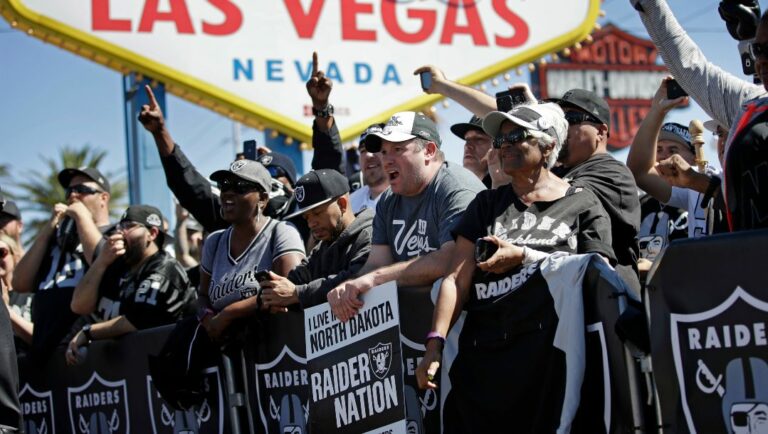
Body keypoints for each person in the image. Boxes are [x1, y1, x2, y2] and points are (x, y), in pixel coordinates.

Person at [414, 103, 614, 433]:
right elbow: (455, 279)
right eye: (499, 139)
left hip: (551, 361)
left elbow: (597, 272)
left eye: (517, 136)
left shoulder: (583, 202)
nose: (503, 145)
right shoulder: (487, 204)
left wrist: (524, 257)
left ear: (549, 145)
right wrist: (434, 345)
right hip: (485, 362)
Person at [327, 110, 485, 322]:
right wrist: (348, 287)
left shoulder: (455, 187)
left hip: (473, 320)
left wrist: (374, 279)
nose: (386, 160)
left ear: (429, 151)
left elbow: (453, 259)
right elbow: (377, 264)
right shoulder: (388, 200)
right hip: (418, 326)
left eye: (397, 149)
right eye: (383, 151)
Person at [630, 0, 768, 230]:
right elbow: (691, 68)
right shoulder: (752, 106)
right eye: (758, 50)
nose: (762, 60)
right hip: (751, 260)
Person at [66, 205, 195, 364]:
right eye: (120, 226)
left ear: (152, 233)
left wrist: (88, 333)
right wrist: (101, 261)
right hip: (128, 373)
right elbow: (79, 305)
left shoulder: (164, 268)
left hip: (172, 367)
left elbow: (137, 320)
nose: (119, 232)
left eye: (129, 227)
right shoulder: (116, 266)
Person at [198, 160, 305, 340]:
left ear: (262, 199)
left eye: (240, 187)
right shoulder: (214, 241)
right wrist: (208, 319)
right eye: (224, 186)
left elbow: (289, 288)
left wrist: (228, 314)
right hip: (225, 355)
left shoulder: (282, 231)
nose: (228, 193)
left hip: (274, 348)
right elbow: (202, 295)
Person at [13, 167, 111, 361]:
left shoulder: (114, 235)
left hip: (86, 351)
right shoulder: (55, 242)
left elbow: (100, 261)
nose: (73, 196)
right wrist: (49, 229)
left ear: (103, 198)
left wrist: (82, 217)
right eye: (69, 191)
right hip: (46, 353)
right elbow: (20, 282)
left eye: (82, 190)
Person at [628, 78, 726, 247]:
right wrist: (657, 111)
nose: (664, 157)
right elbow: (639, 172)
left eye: (673, 151)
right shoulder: (695, 186)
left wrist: (695, 179)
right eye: (720, 134)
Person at [259, 169, 373, 309]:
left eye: (317, 213)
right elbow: (298, 277)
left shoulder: (369, 234)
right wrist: (273, 293)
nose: (311, 223)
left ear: (342, 204)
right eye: (306, 217)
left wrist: (298, 294)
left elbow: (356, 279)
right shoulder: (322, 248)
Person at [306, 52, 389, 212]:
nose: (369, 155)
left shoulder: (408, 199)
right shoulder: (351, 203)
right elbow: (329, 167)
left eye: (375, 148)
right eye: (363, 150)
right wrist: (321, 108)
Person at [0, 234, 33, 350]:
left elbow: (42, 337)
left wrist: (5, 310)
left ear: (15, 257)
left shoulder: (32, 293)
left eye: (1, 253)